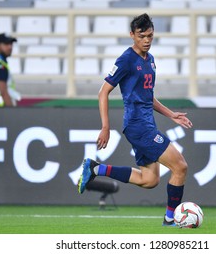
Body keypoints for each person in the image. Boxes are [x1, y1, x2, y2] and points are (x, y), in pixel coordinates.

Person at [77, 13, 193, 226]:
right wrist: (105, 127)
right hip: (138, 127)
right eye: (142, 36)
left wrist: (171, 114)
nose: (147, 40)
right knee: (180, 167)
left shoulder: (150, 60)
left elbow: (147, 96)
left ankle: (95, 169)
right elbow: (103, 92)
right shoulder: (126, 60)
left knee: (149, 180)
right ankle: (170, 219)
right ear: (132, 35)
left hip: (147, 124)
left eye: (150, 35)